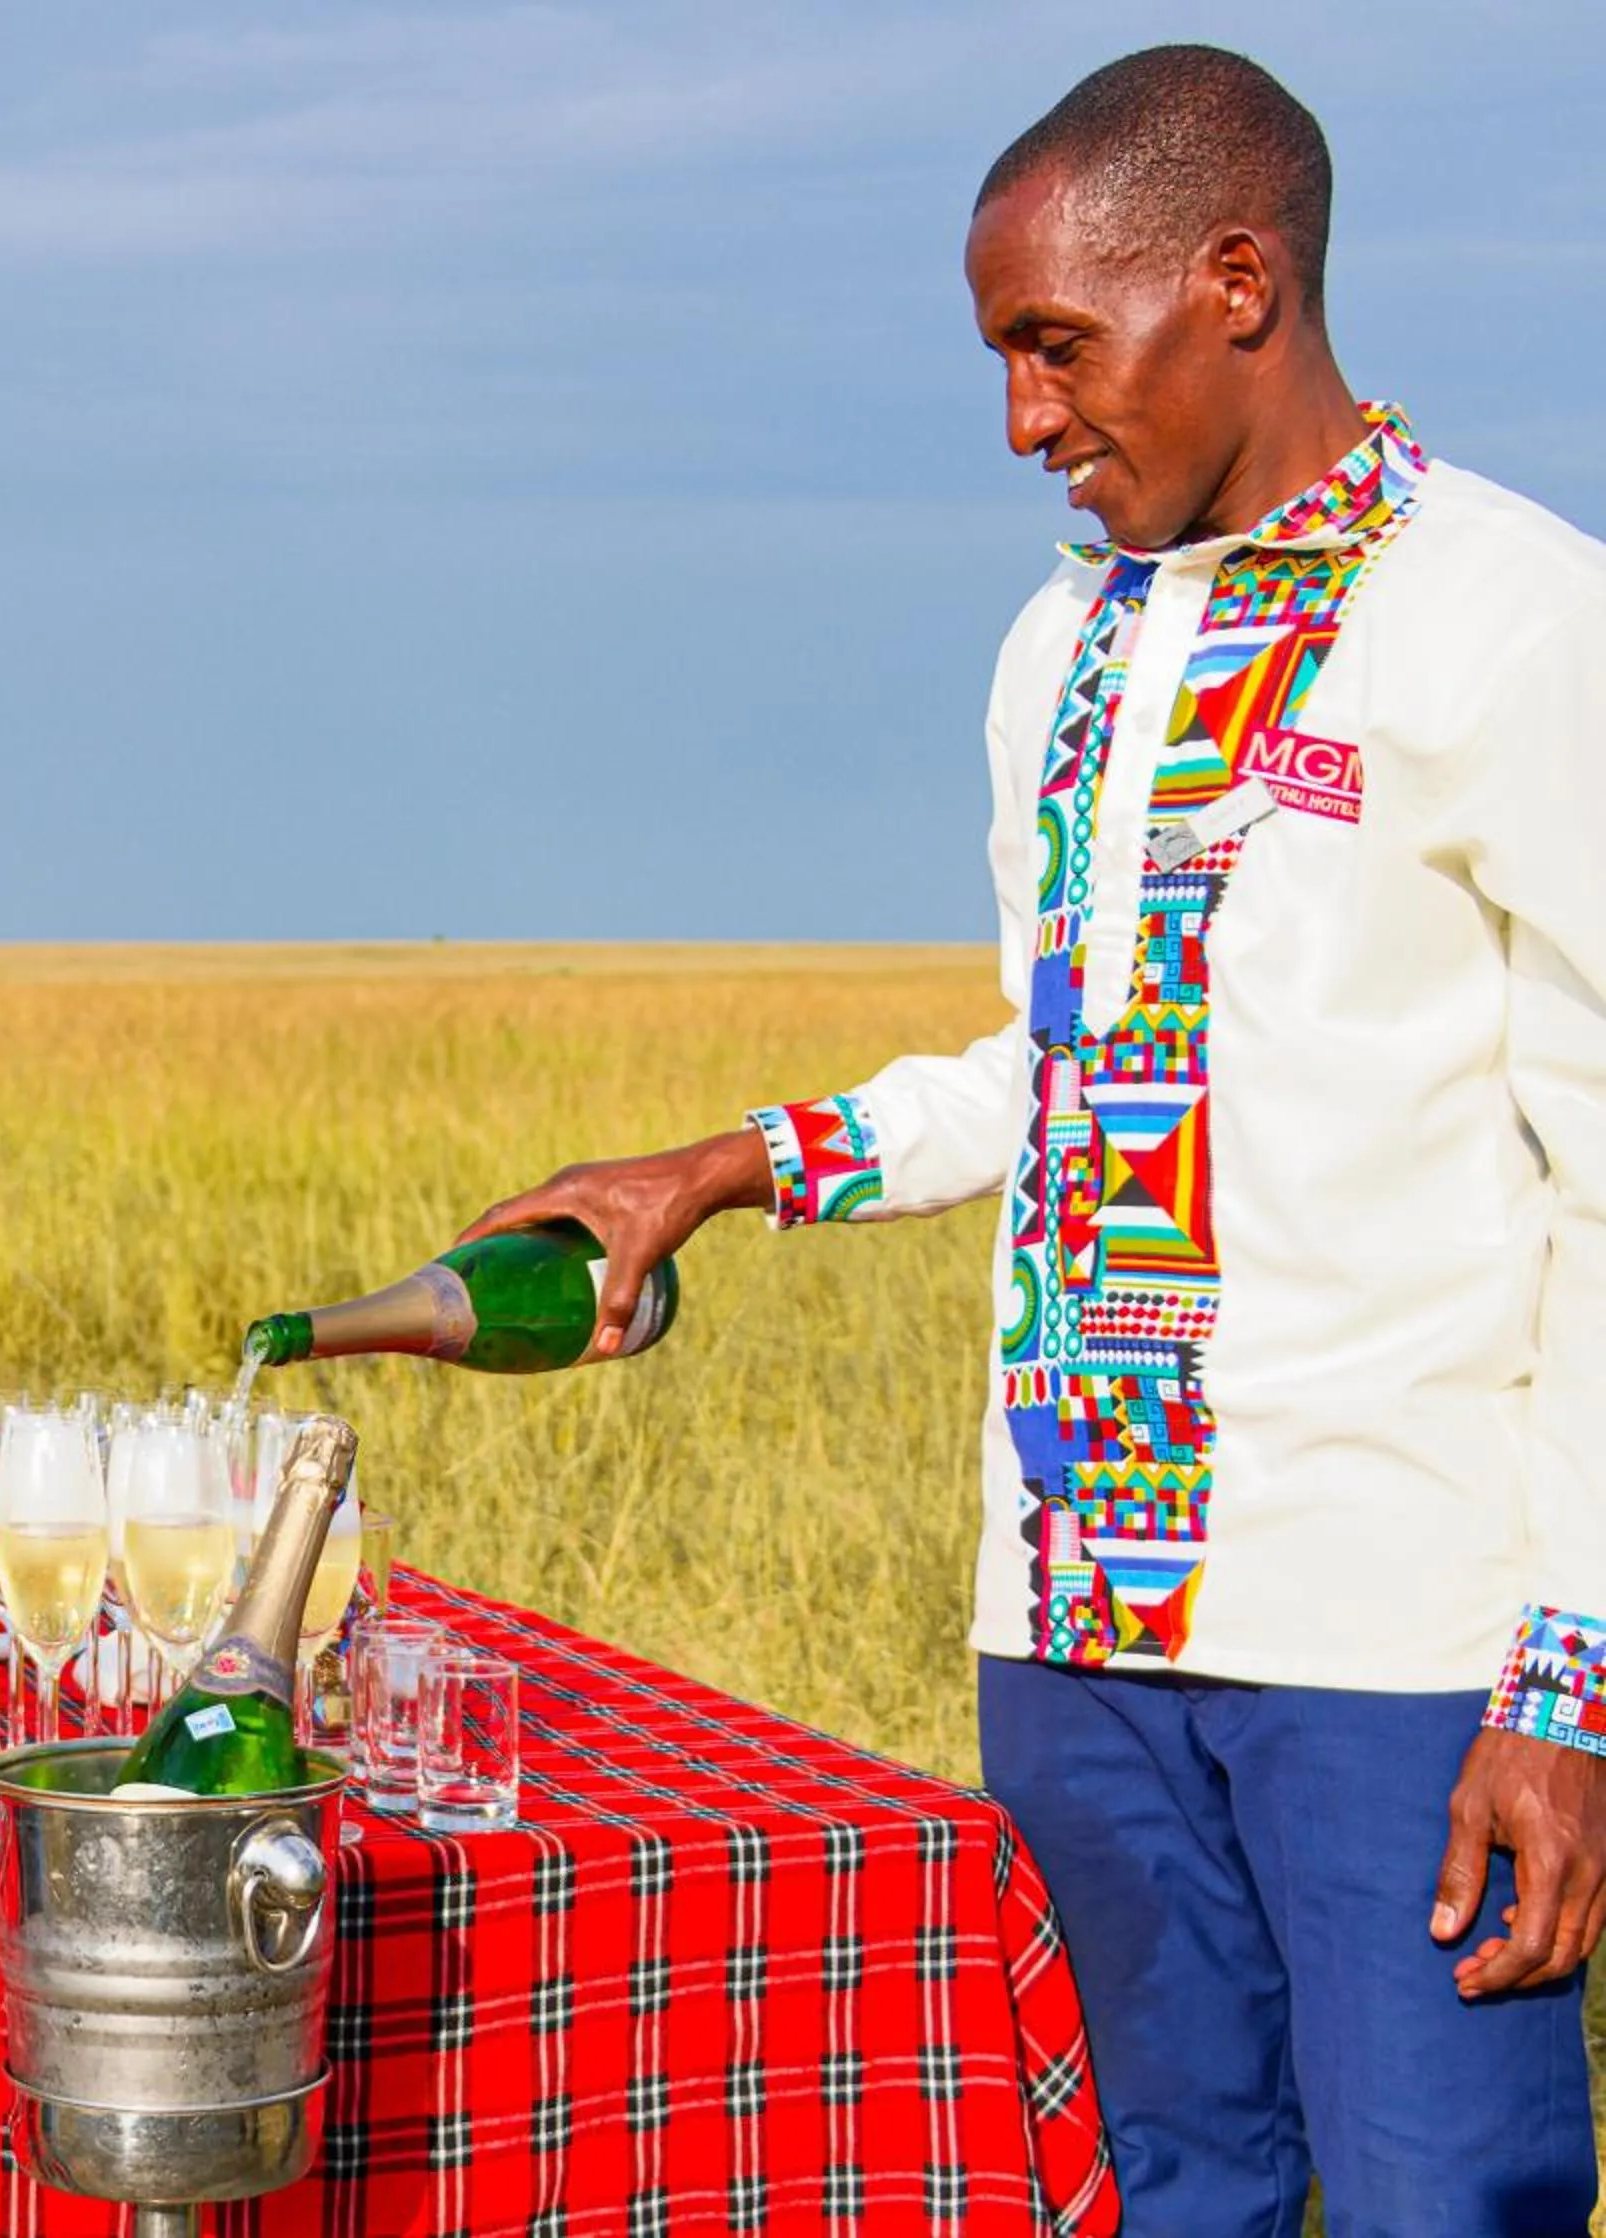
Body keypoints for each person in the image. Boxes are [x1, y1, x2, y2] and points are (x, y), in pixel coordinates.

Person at [465, 46, 1606, 2234]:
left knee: (1437, 2201)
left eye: (1054, 346)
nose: (1024, 420)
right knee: (1164, 2192)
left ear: (1240, 283)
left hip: (1390, 1646)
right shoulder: (1062, 646)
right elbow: (1060, 1054)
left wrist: (1568, 1683)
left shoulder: (1515, 619)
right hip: (1071, 1630)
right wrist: (720, 1166)